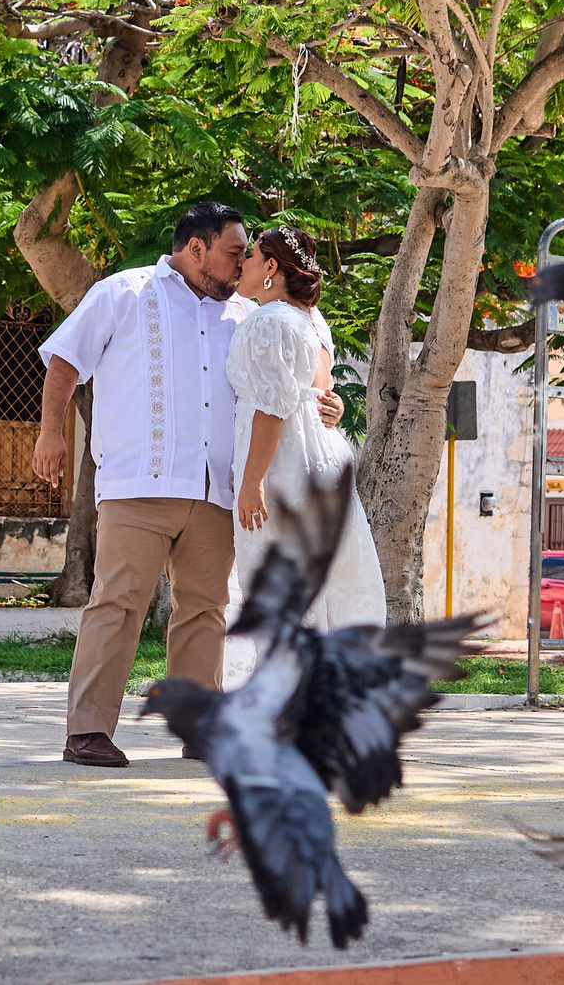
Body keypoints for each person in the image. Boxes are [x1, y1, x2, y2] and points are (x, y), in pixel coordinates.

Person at [30, 202, 343, 767]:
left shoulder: (247, 315)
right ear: (195, 248)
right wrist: (50, 433)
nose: (241, 263)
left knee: (205, 610)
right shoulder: (123, 292)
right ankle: (89, 731)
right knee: (117, 604)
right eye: (232, 253)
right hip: (137, 484)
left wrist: (323, 403)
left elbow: (282, 386)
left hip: (218, 491)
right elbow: (64, 360)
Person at [222, 226, 385, 686]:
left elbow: (273, 408)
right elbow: (322, 393)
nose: (242, 265)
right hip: (325, 458)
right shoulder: (313, 320)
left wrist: (251, 482)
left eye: (251, 256)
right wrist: (337, 405)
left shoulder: (268, 321)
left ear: (271, 268)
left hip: (284, 464)